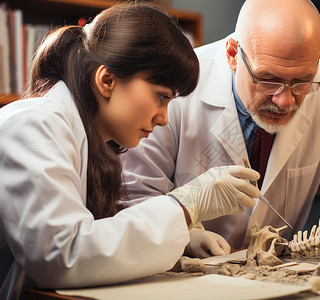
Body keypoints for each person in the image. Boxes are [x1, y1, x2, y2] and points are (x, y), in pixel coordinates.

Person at [0, 2, 262, 299]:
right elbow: (62, 256)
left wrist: (185, 239)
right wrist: (185, 206)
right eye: (161, 96)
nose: (164, 118)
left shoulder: (87, 138)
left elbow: (99, 236)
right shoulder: (33, 126)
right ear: (107, 80)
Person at [122, 0, 320, 256]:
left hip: (281, 274)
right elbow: (133, 197)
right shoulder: (178, 87)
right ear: (232, 55)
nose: (285, 99)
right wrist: (186, 235)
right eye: (268, 80)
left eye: (302, 81)